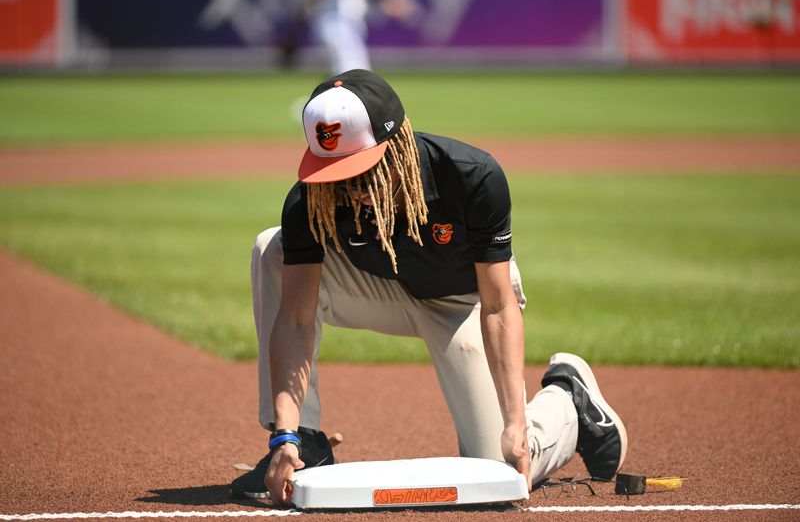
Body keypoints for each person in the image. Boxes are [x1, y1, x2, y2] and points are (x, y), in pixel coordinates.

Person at [230, 69, 627, 504]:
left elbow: (498, 305)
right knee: (273, 248)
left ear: (397, 144)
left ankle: (568, 401)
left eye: (360, 171)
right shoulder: (312, 200)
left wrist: (514, 419)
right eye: (333, 172)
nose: (349, 187)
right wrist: (283, 434)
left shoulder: (472, 175)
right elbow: (295, 318)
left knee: (498, 471)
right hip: (380, 290)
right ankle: (304, 444)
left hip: (467, 300)